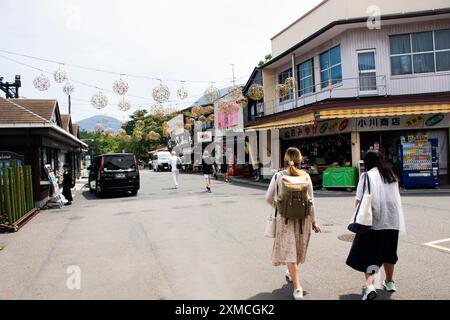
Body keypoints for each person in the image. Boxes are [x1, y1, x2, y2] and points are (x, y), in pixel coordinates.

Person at [346, 150, 406, 300]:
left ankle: (370, 286)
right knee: (389, 254)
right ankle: (390, 282)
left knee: (369, 255)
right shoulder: (391, 175)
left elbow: (359, 201)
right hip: (393, 221)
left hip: (373, 223)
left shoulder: (366, 176)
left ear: (366, 163)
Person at [265, 147, 321, 300]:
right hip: (303, 219)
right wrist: (314, 222)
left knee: (290, 250)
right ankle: (293, 277)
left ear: (285, 158)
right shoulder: (306, 176)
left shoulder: (278, 176)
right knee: (297, 248)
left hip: (285, 220)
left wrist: (282, 207)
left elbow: (268, 198)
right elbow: (311, 202)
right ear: (300, 159)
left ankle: (298, 288)